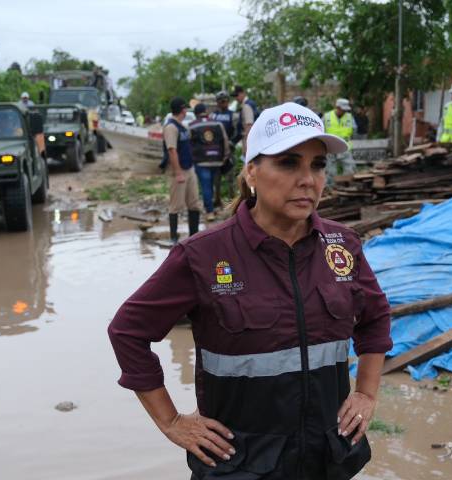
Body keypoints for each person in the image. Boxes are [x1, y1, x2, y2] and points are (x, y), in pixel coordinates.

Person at [109, 101, 392, 479]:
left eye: (318, 164)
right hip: (242, 466)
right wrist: (172, 421)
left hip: (326, 460)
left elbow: (375, 318)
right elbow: (128, 331)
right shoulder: (203, 255)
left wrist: (366, 393)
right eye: (289, 163)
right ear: (252, 172)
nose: (308, 179)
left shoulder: (342, 246)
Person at [163, 96, 202, 243]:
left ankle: (194, 236)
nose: (186, 110)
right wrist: (178, 173)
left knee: (194, 204)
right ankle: (173, 238)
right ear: (181, 110)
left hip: (189, 168)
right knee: (175, 205)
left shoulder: (182, 126)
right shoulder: (171, 127)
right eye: (185, 108)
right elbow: (172, 151)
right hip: (178, 171)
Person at [189, 103, 230, 222]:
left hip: (201, 162)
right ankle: (213, 206)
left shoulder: (192, 126)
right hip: (217, 160)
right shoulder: (217, 124)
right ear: (205, 112)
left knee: (206, 186)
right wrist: (225, 156)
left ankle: (210, 211)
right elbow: (225, 140)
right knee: (213, 185)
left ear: (196, 113)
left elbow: (189, 145)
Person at [209, 91, 236, 209]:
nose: (222, 103)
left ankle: (233, 201)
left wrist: (232, 142)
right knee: (216, 179)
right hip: (215, 152)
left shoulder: (233, 115)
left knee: (231, 178)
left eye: (224, 101)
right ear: (217, 103)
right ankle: (217, 200)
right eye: (220, 101)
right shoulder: (213, 116)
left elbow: (237, 132)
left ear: (228, 102)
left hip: (229, 151)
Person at [323, 98, 357, 184]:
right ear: (337, 107)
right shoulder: (327, 117)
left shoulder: (349, 117)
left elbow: (354, 130)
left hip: (345, 147)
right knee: (330, 171)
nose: (345, 111)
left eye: (346, 110)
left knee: (349, 169)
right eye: (343, 109)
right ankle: (331, 189)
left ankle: (348, 187)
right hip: (330, 147)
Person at [232, 85, 258, 158]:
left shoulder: (247, 106)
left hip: (250, 141)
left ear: (243, 93)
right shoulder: (250, 104)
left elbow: (249, 125)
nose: (236, 98)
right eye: (235, 96)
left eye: (237, 95)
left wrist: (247, 146)